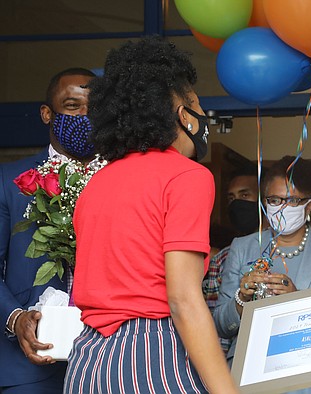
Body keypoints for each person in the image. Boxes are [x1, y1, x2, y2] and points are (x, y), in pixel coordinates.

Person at [63, 37, 237, 393]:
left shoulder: (96, 184)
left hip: (87, 359)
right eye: (198, 106)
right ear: (183, 114)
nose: (204, 119)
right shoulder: (188, 177)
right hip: (152, 353)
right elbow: (183, 299)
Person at [213, 155, 311, 394]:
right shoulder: (242, 247)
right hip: (250, 377)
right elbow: (220, 325)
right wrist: (242, 300)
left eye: (292, 201)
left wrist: (295, 299)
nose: (282, 208)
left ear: (309, 205)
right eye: (275, 200)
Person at [0, 67, 95, 393]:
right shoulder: (10, 180)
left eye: (93, 108)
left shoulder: (117, 179)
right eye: (72, 106)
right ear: (46, 113)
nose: (85, 115)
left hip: (106, 358)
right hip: (28, 363)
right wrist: (15, 318)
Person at [203, 166, 261, 354]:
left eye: (244, 196)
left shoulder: (286, 252)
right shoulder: (221, 259)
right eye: (231, 198)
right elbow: (216, 324)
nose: (236, 204)